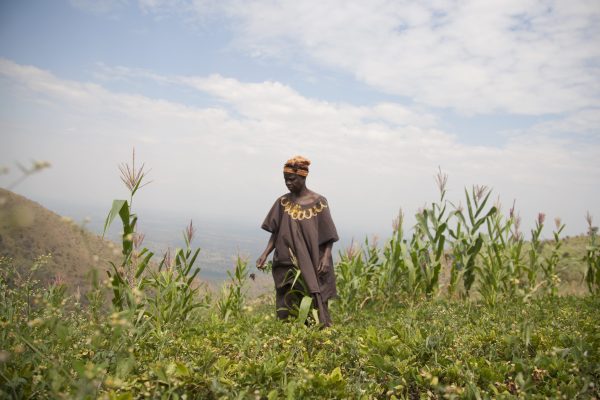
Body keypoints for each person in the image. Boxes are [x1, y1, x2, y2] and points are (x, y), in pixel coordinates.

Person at [256, 156, 339, 327]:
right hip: (286, 260)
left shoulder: (319, 202)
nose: (288, 183)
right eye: (285, 179)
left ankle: (317, 332)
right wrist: (265, 253)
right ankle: (288, 332)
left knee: (312, 295)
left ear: (303, 177)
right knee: (287, 297)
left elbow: (329, 234)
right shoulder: (283, 202)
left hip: (311, 260)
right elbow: (276, 232)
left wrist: (325, 258)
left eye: (292, 179)